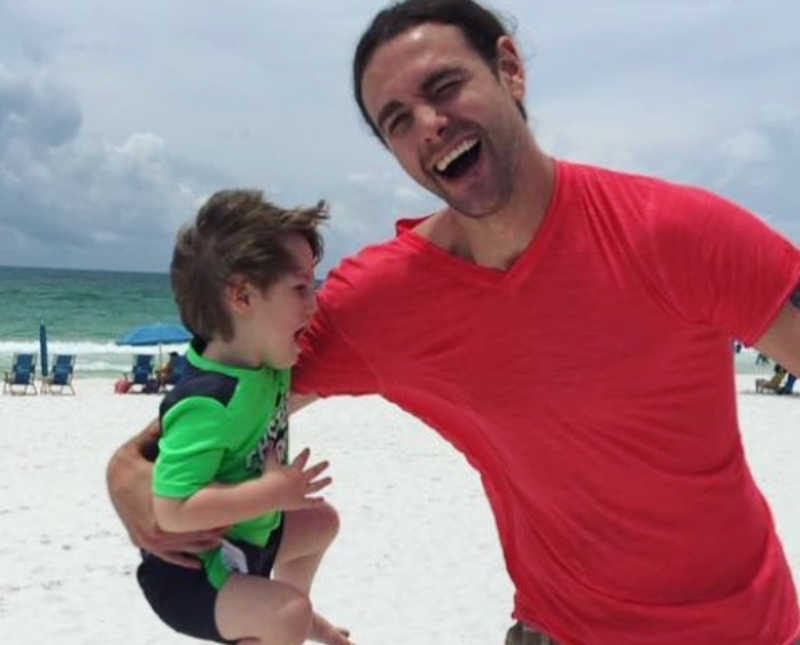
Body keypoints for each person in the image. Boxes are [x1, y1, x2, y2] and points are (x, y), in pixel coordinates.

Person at [107, 1, 800, 643]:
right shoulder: (382, 304)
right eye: (397, 120)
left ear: (510, 70)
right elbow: (224, 393)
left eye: (445, 87)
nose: (429, 124)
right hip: (559, 629)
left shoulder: (673, 233)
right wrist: (125, 474)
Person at [135, 189, 353, 645]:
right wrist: (269, 492)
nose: (314, 303)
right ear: (242, 297)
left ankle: (289, 613)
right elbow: (171, 511)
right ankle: (285, 618)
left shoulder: (265, 363)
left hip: (247, 540)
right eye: (300, 288)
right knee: (287, 614)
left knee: (321, 523)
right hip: (191, 575)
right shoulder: (208, 402)